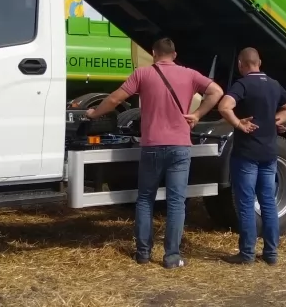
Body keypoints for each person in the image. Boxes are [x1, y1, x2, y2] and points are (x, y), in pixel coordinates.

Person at [85, 38, 224, 268]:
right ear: (175, 54)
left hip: (152, 147)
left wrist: (93, 114)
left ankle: (143, 253)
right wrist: (198, 114)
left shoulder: (142, 74)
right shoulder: (189, 74)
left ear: (153, 53)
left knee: (145, 199)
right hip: (180, 146)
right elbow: (216, 91)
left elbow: (115, 99)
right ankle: (171, 257)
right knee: (176, 202)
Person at [216, 47, 286, 266]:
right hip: (269, 153)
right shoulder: (273, 84)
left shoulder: (242, 84)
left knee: (245, 203)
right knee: (268, 203)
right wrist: (277, 120)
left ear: (241, 64)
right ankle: (271, 253)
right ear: (259, 62)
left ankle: (247, 253)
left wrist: (237, 123)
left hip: (246, 154)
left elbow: (224, 106)